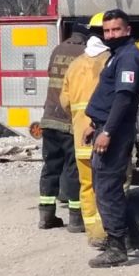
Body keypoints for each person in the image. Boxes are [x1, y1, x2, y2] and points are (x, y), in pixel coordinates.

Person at [82, 9, 139, 267]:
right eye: (107, 31)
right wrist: (93, 123)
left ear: (127, 30)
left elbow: (122, 98)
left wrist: (107, 131)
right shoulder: (117, 55)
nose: (111, 35)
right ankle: (135, 236)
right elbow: (109, 95)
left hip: (116, 132)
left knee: (107, 189)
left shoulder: (129, 57)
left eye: (116, 30)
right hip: (105, 127)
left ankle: (116, 247)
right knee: (109, 188)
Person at [58, 14, 109, 243]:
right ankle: (111, 230)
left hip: (81, 138)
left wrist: (79, 120)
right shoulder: (111, 61)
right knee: (111, 185)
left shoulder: (75, 65)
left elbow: (64, 102)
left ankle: (94, 234)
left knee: (87, 185)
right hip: (106, 137)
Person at [37, 30, 86, 230]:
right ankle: (75, 218)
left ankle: (46, 217)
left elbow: (51, 73)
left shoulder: (58, 49)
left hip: (49, 119)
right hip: (68, 121)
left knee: (51, 167)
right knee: (73, 168)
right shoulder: (84, 54)